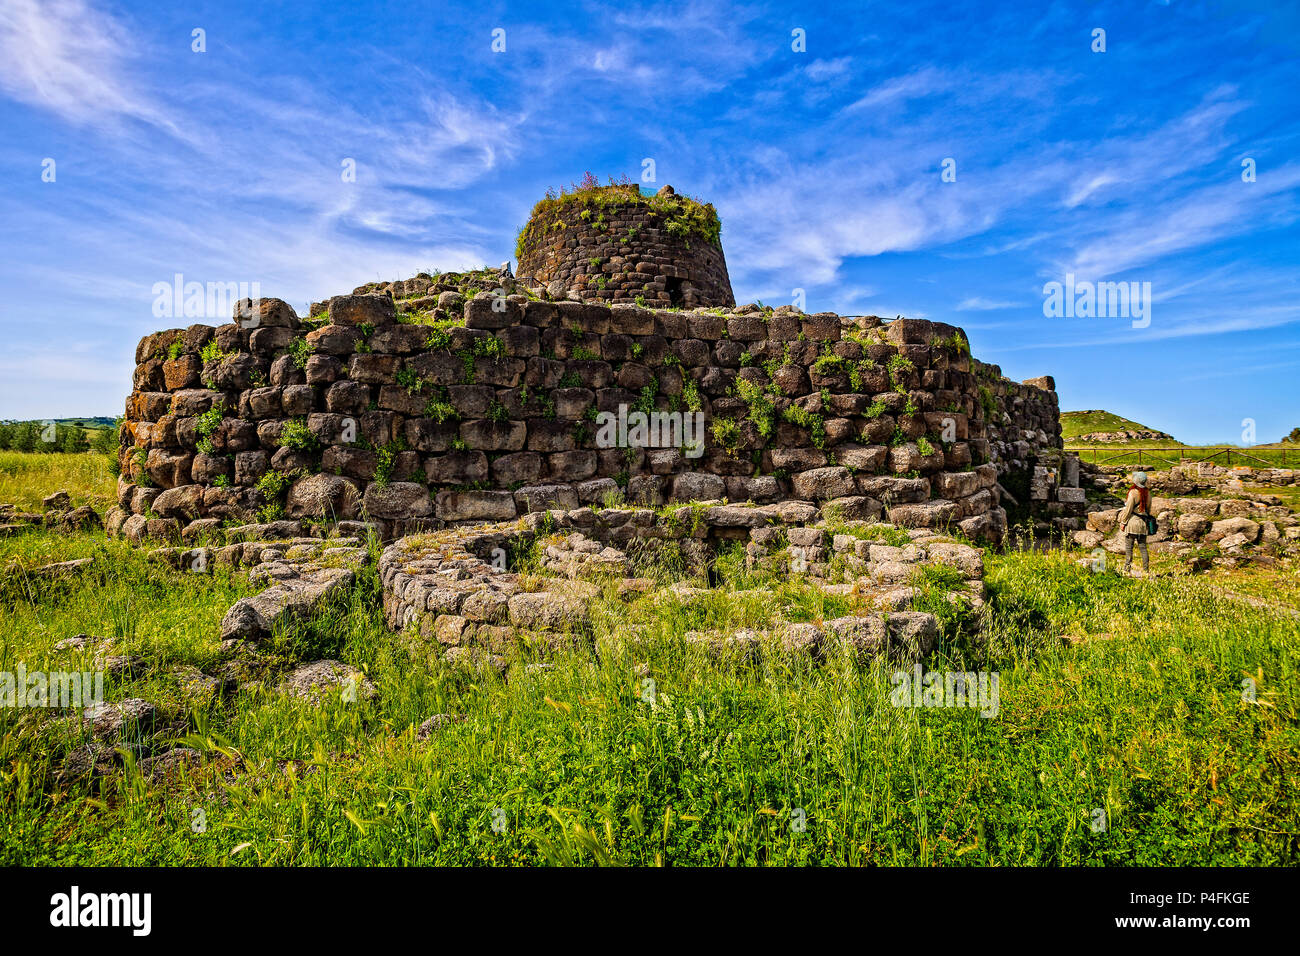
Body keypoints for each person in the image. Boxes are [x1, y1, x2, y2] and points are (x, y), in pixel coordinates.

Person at [1117, 470, 1152, 576]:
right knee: (1143, 548)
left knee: (1129, 548)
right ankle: (1146, 570)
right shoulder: (1148, 493)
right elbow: (1148, 510)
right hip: (1142, 524)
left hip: (1132, 523)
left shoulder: (1133, 493)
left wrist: (1123, 522)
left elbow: (1128, 510)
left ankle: (1127, 569)